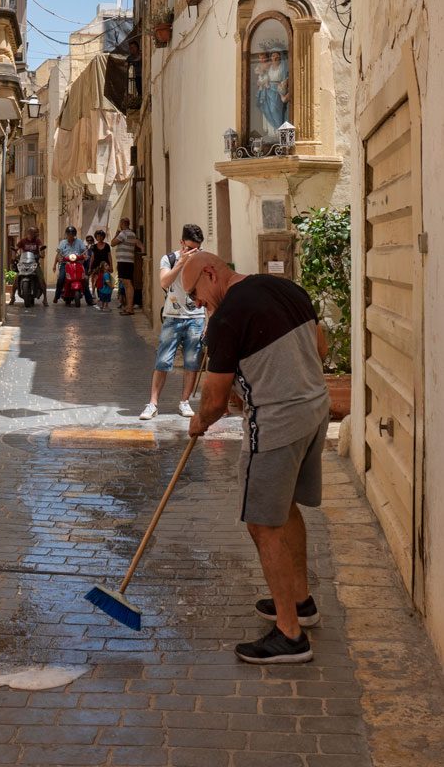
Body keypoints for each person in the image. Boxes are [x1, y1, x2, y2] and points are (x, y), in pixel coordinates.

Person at [181, 252, 330, 665]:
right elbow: (320, 346)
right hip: (314, 411)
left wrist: (199, 422)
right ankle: (300, 602)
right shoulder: (283, 287)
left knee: (262, 522)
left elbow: (212, 400)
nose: (197, 303)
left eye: (195, 292)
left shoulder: (228, 318)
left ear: (211, 273)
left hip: (278, 424)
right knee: (286, 510)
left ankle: (289, 635)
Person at [139, 224, 205, 421]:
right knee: (163, 360)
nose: (194, 252)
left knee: (192, 362)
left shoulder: (204, 260)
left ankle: (185, 402)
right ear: (181, 243)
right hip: (173, 317)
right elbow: (164, 282)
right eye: (190, 247)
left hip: (196, 318)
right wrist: (181, 263)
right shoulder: (169, 259)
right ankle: (153, 404)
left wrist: (209, 319)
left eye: (197, 248)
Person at [53, 227, 94, 306]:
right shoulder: (62, 243)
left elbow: (84, 251)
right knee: (61, 278)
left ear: (75, 234)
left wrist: (85, 256)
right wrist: (55, 264)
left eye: (72, 234)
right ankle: (56, 296)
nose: (70, 235)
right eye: (69, 234)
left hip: (78, 263)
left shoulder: (79, 242)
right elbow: (58, 254)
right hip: (66, 263)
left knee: (84, 279)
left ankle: (89, 300)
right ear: (66, 234)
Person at [111, 218, 144, 314]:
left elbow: (112, 243)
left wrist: (117, 234)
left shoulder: (123, 234)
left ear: (122, 224)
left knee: (128, 284)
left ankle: (130, 307)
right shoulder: (132, 234)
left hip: (124, 261)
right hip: (129, 261)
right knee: (126, 284)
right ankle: (128, 306)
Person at [11, 226, 48, 306]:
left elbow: (41, 248)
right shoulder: (23, 241)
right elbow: (16, 248)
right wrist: (14, 256)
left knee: (41, 279)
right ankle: (12, 297)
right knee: (16, 278)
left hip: (34, 263)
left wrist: (41, 253)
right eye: (30, 233)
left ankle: (45, 299)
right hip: (24, 263)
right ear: (27, 233)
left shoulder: (37, 241)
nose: (31, 235)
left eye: (33, 233)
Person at [88, 230, 113, 295]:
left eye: (101, 236)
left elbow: (109, 256)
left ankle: (102, 294)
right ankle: (93, 293)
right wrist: (90, 267)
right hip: (95, 265)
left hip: (104, 266)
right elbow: (92, 257)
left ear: (103, 237)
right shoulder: (94, 246)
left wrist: (111, 266)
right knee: (94, 279)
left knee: (103, 280)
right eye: (98, 236)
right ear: (96, 237)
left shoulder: (107, 245)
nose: (99, 237)